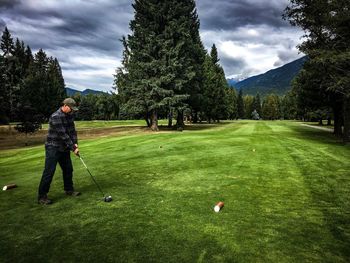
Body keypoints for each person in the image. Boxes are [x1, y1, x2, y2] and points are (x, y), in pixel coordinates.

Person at [38, 98, 81, 205]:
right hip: (53, 147)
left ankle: (69, 190)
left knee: (68, 169)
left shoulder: (70, 116)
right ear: (65, 106)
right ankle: (42, 196)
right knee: (49, 172)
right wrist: (73, 148)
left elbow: (72, 131)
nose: (72, 111)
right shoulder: (55, 116)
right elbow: (63, 135)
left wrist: (75, 143)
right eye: (71, 109)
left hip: (64, 148)